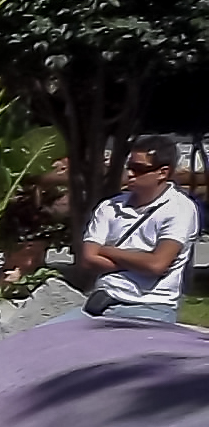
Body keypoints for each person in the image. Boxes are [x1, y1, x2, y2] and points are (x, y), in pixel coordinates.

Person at [75, 136, 200, 321]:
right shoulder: (109, 207)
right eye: (129, 167)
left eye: (139, 168)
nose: (130, 174)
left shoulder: (180, 209)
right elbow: (87, 259)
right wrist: (141, 261)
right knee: (45, 336)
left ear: (163, 172)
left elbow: (156, 265)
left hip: (148, 306)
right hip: (101, 301)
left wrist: (107, 250)